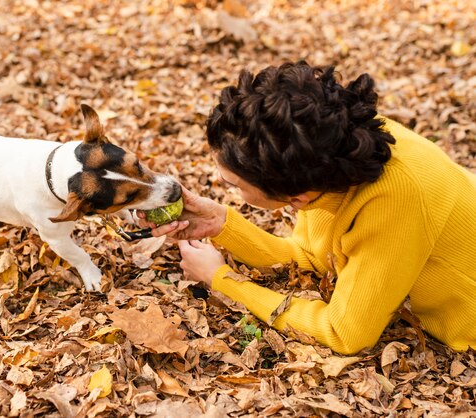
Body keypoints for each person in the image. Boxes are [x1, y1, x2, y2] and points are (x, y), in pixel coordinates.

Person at [138, 61, 476, 355]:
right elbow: (312, 257)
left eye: (235, 186)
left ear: (296, 197)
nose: (230, 190)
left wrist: (220, 279)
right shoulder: (331, 145)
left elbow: (345, 334)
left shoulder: (393, 202)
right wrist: (220, 222)